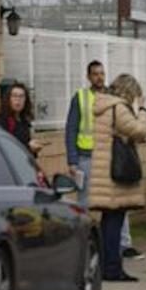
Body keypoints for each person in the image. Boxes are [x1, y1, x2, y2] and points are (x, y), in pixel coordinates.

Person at [89, 73, 146, 282]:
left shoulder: (103, 106)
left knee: (109, 221)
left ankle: (106, 266)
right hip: (114, 173)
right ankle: (113, 268)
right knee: (114, 222)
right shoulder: (118, 107)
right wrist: (143, 111)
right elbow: (138, 131)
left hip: (102, 169)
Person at [65, 61, 107, 208]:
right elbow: (71, 129)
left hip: (108, 156)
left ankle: (114, 232)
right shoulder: (80, 97)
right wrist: (72, 161)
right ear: (88, 77)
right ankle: (84, 230)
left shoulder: (112, 96)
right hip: (85, 157)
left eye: (102, 73)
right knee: (84, 201)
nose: (99, 77)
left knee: (113, 201)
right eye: (95, 74)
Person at [0, 82, 44, 155]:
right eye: (14, 96)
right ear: (8, 99)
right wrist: (28, 147)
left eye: (21, 96)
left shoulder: (24, 121)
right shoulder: (1, 120)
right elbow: (2, 148)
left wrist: (34, 149)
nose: (18, 100)